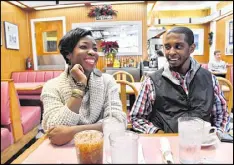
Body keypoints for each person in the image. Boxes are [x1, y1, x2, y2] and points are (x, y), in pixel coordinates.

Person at [130, 27, 229, 134]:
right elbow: (136, 118)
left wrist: (216, 134)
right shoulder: (152, 82)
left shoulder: (210, 79)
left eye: (178, 46)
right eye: (167, 47)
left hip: (201, 144)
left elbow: (221, 115)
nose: (171, 52)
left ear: (191, 48)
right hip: (166, 146)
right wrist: (158, 133)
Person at [41, 28, 126, 145]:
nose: (92, 52)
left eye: (95, 48)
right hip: (66, 150)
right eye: (84, 47)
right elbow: (53, 131)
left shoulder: (107, 82)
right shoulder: (52, 86)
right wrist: (80, 85)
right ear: (68, 54)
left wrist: (72, 131)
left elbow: (118, 122)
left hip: (101, 146)